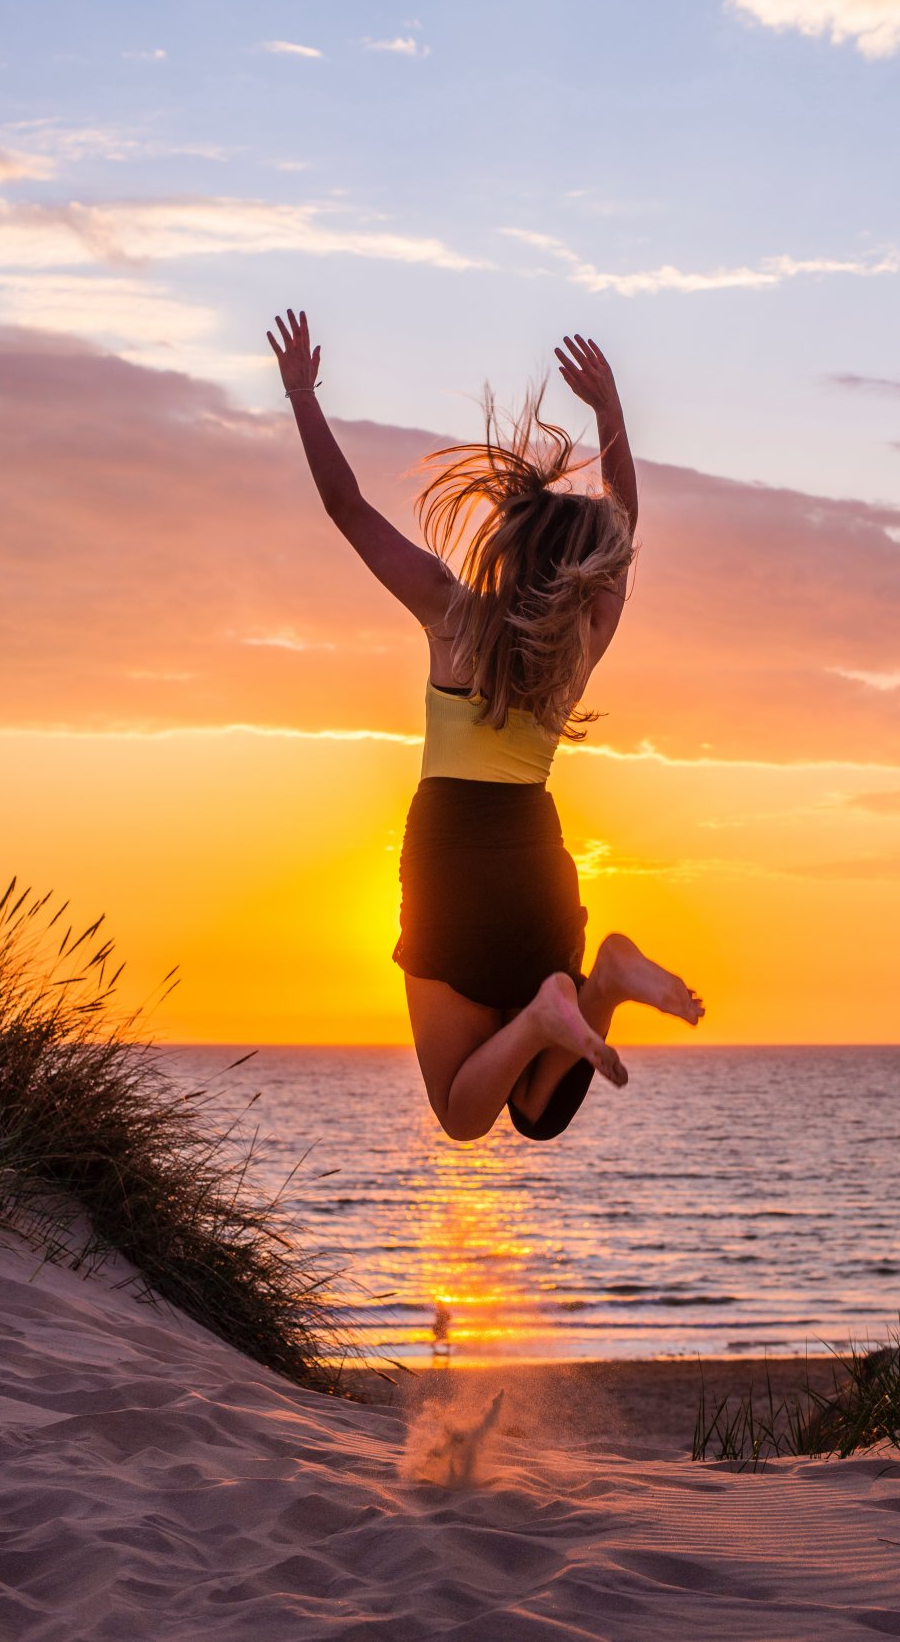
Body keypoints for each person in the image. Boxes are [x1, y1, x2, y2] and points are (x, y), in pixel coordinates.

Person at [267, 309, 705, 1143]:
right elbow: (626, 520)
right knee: (535, 1115)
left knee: (462, 1113)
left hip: (452, 863)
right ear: (579, 568)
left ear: (511, 545)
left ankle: (553, 1011)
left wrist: (301, 395)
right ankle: (596, 985)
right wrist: (611, 410)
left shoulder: (449, 613)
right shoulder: (581, 643)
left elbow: (345, 505)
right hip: (537, 866)